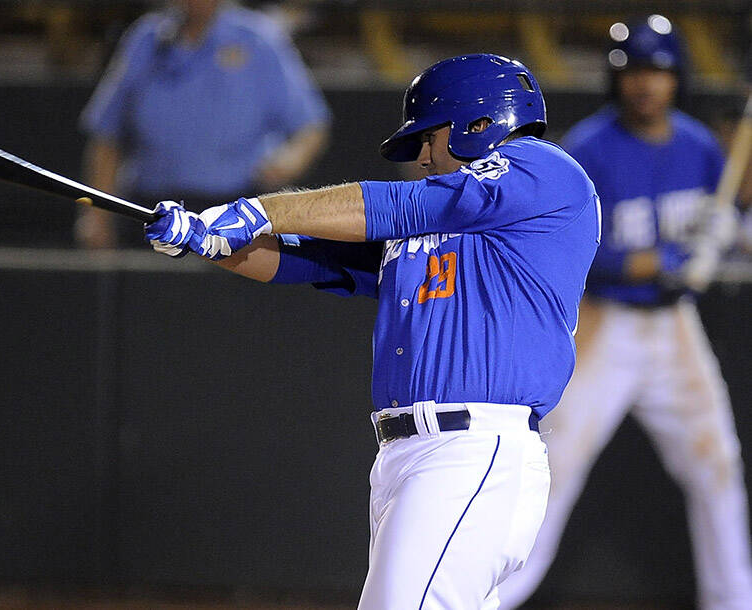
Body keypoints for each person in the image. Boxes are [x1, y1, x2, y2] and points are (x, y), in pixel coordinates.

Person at [142, 53, 600, 609]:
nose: (424, 158)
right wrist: (206, 238)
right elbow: (306, 260)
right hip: (406, 460)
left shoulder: (542, 170)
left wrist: (257, 209)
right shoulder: (434, 224)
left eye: (430, 138)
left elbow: (401, 205)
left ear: (480, 122)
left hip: (474, 451)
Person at [497, 15, 752, 610]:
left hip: (674, 328)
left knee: (717, 466)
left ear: (676, 79)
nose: (645, 85)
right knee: (555, 470)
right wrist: (652, 258)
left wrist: (731, 230)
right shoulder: (588, 148)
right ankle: (492, 600)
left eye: (657, 72)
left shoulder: (695, 144)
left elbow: (725, 226)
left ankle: (735, 600)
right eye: (635, 72)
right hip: (604, 326)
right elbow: (561, 247)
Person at [75, 0, 330, 248]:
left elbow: (311, 125)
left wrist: (288, 162)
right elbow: (107, 134)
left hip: (233, 216)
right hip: (152, 213)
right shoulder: (147, 38)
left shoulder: (258, 38)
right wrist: (97, 217)